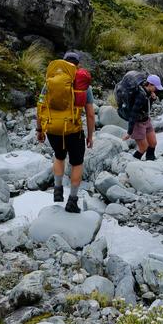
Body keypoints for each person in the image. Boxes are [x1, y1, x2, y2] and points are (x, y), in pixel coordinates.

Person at [36, 51, 95, 213]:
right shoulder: (82, 84)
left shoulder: (50, 81)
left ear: (63, 63)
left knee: (59, 156)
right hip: (73, 131)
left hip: (53, 129)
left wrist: (39, 129)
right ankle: (72, 201)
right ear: (77, 65)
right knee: (77, 163)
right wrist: (90, 136)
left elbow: (40, 106)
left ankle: (57, 190)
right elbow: (90, 114)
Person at [122, 73, 163, 160]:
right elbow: (133, 114)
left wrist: (153, 99)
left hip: (146, 120)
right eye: (155, 87)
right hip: (138, 124)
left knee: (153, 143)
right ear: (150, 84)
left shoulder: (148, 92)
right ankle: (132, 163)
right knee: (143, 148)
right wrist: (129, 132)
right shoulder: (140, 95)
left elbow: (146, 106)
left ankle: (150, 159)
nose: (156, 89)